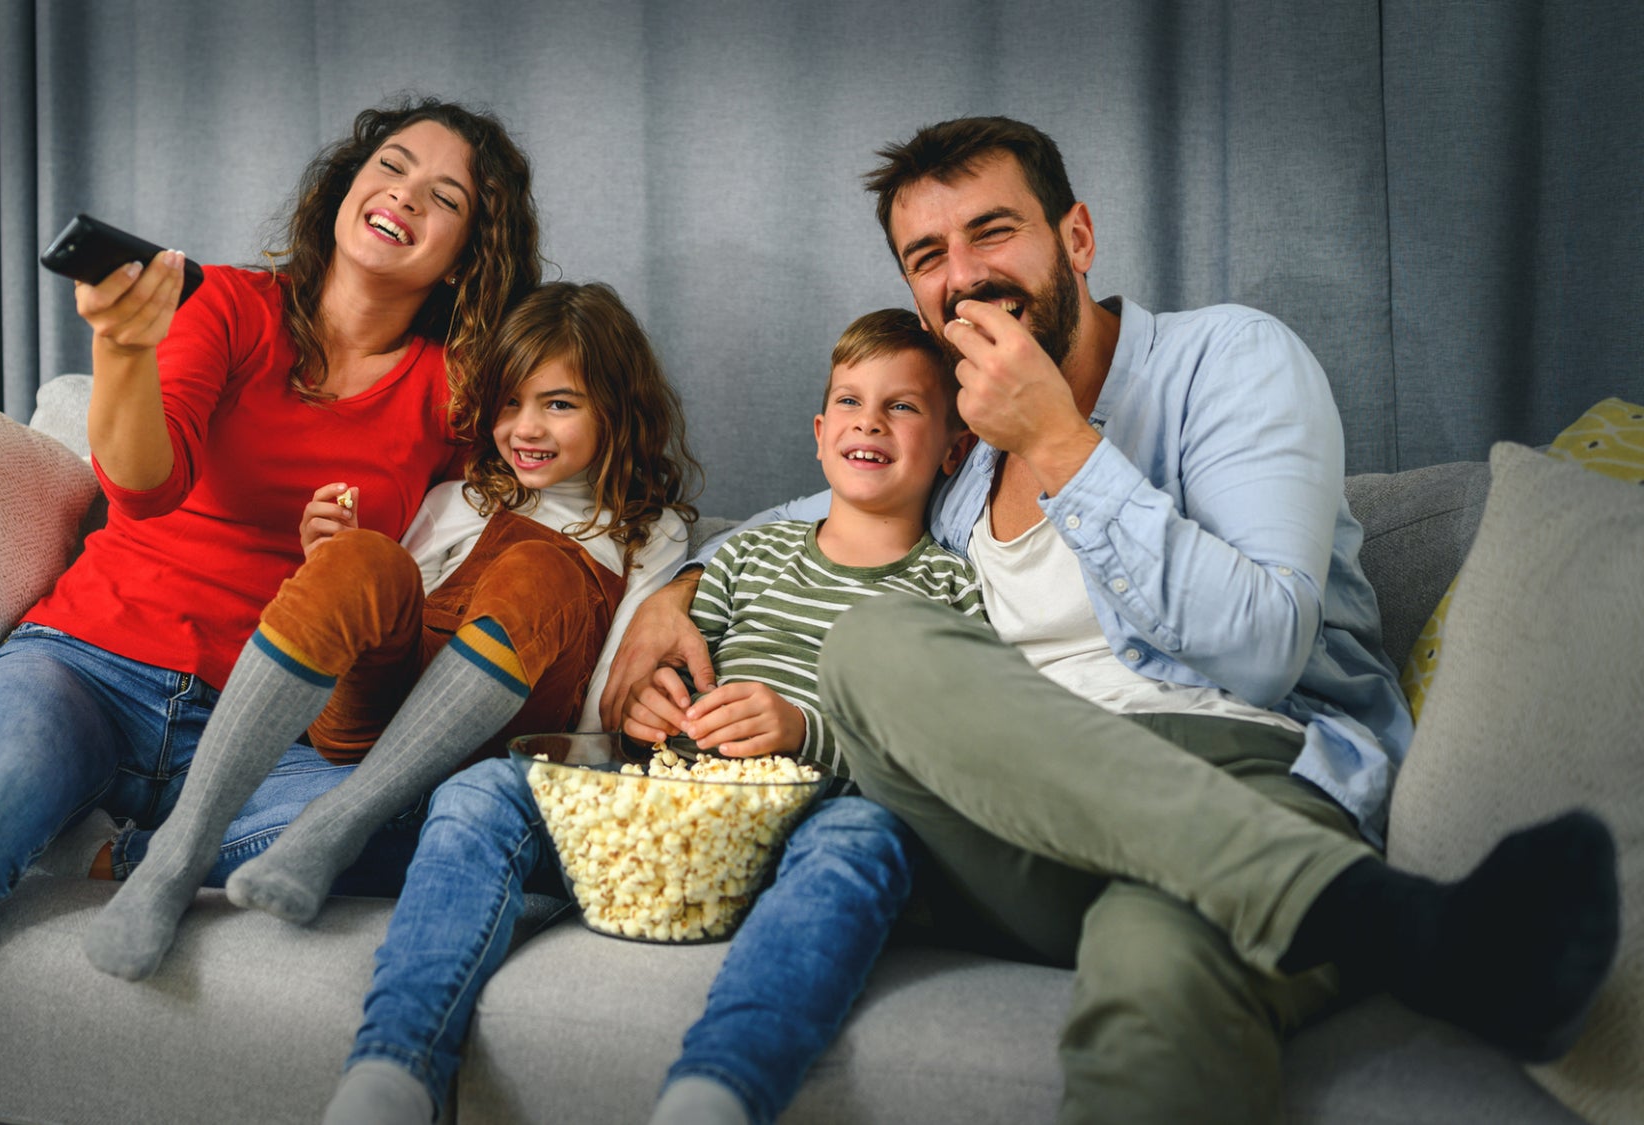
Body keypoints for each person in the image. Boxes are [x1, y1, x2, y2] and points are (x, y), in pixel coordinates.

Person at [602, 116, 1620, 1123]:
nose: (961, 275)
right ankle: (1381, 919)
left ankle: (1314, 898)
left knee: (1160, 980)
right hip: (1016, 825)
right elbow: (821, 516)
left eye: (991, 232)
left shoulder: (1227, 361)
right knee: (875, 642)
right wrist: (676, 587)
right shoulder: (957, 465)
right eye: (927, 256)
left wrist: (1057, 437)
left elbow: (1263, 647)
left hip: (1244, 774)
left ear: (1074, 239)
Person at [0, 97, 543, 1125]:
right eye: (390, 166)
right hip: (83, 667)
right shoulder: (231, 306)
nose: (402, 195)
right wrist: (123, 350)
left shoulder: (454, 390)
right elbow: (141, 486)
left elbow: (560, 507)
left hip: (256, 726)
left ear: (463, 256)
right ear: (347, 183)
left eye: (443, 198)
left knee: (420, 827)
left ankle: (125, 854)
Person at [321, 309, 983, 1125]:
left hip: (811, 822)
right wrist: (647, 705)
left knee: (869, 842)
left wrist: (805, 731)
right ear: (819, 433)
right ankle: (393, 1070)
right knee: (487, 789)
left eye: (904, 406)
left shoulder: (954, 587)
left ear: (955, 447)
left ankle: (719, 1090)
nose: (869, 423)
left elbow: (941, 750)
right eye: (850, 401)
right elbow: (645, 678)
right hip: (667, 817)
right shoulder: (745, 554)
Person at [82, 280, 700, 980]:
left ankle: (339, 823)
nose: (526, 428)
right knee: (362, 554)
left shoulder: (651, 534)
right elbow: (391, 616)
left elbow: (608, 692)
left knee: (539, 568)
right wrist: (335, 561)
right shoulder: (461, 496)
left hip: (496, 738)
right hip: (375, 721)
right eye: (509, 403)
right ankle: (174, 857)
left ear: (617, 411)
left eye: (558, 404)